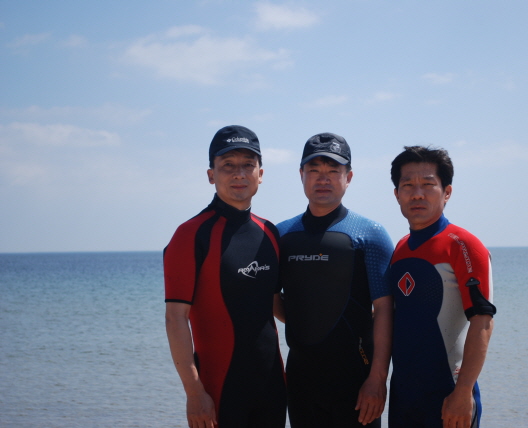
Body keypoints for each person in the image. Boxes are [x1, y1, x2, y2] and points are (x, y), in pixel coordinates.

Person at [163, 125, 286, 428]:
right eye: (228, 165)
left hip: (271, 387)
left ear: (260, 173)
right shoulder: (191, 235)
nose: (239, 174)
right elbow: (175, 319)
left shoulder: (269, 233)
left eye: (248, 164)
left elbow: (275, 305)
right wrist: (194, 392)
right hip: (218, 391)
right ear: (211, 175)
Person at [275, 132, 394, 428]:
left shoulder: (370, 234)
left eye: (333, 170)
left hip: (356, 380)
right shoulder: (281, 235)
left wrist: (378, 378)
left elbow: (385, 310)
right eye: (314, 170)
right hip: (301, 380)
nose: (323, 178)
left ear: (348, 177)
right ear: (301, 175)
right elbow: (272, 298)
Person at [387, 146, 496, 428]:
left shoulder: (464, 245)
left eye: (428, 184)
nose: (417, 194)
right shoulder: (399, 249)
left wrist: (463, 391)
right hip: (403, 398)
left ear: (447, 192)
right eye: (408, 185)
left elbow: (483, 322)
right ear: (397, 194)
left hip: (449, 395)